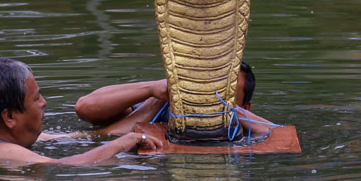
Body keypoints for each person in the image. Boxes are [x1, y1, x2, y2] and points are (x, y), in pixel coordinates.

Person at [0, 58, 162, 165]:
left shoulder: (4, 139)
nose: (44, 103)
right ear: (10, 117)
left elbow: (87, 137)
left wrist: (153, 103)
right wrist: (121, 144)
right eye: (36, 99)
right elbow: (64, 164)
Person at [74, 61, 273, 138]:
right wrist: (154, 89)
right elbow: (85, 107)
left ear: (246, 107)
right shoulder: (159, 107)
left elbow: (283, 137)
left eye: (224, 92)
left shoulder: (247, 128)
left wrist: (224, 108)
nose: (204, 97)